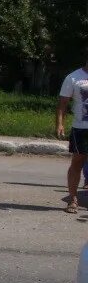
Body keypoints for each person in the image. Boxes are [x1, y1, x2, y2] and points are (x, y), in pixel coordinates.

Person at [57, 59, 88, 211]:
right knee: (77, 162)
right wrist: (60, 123)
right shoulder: (73, 77)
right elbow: (63, 103)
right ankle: (73, 198)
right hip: (81, 128)